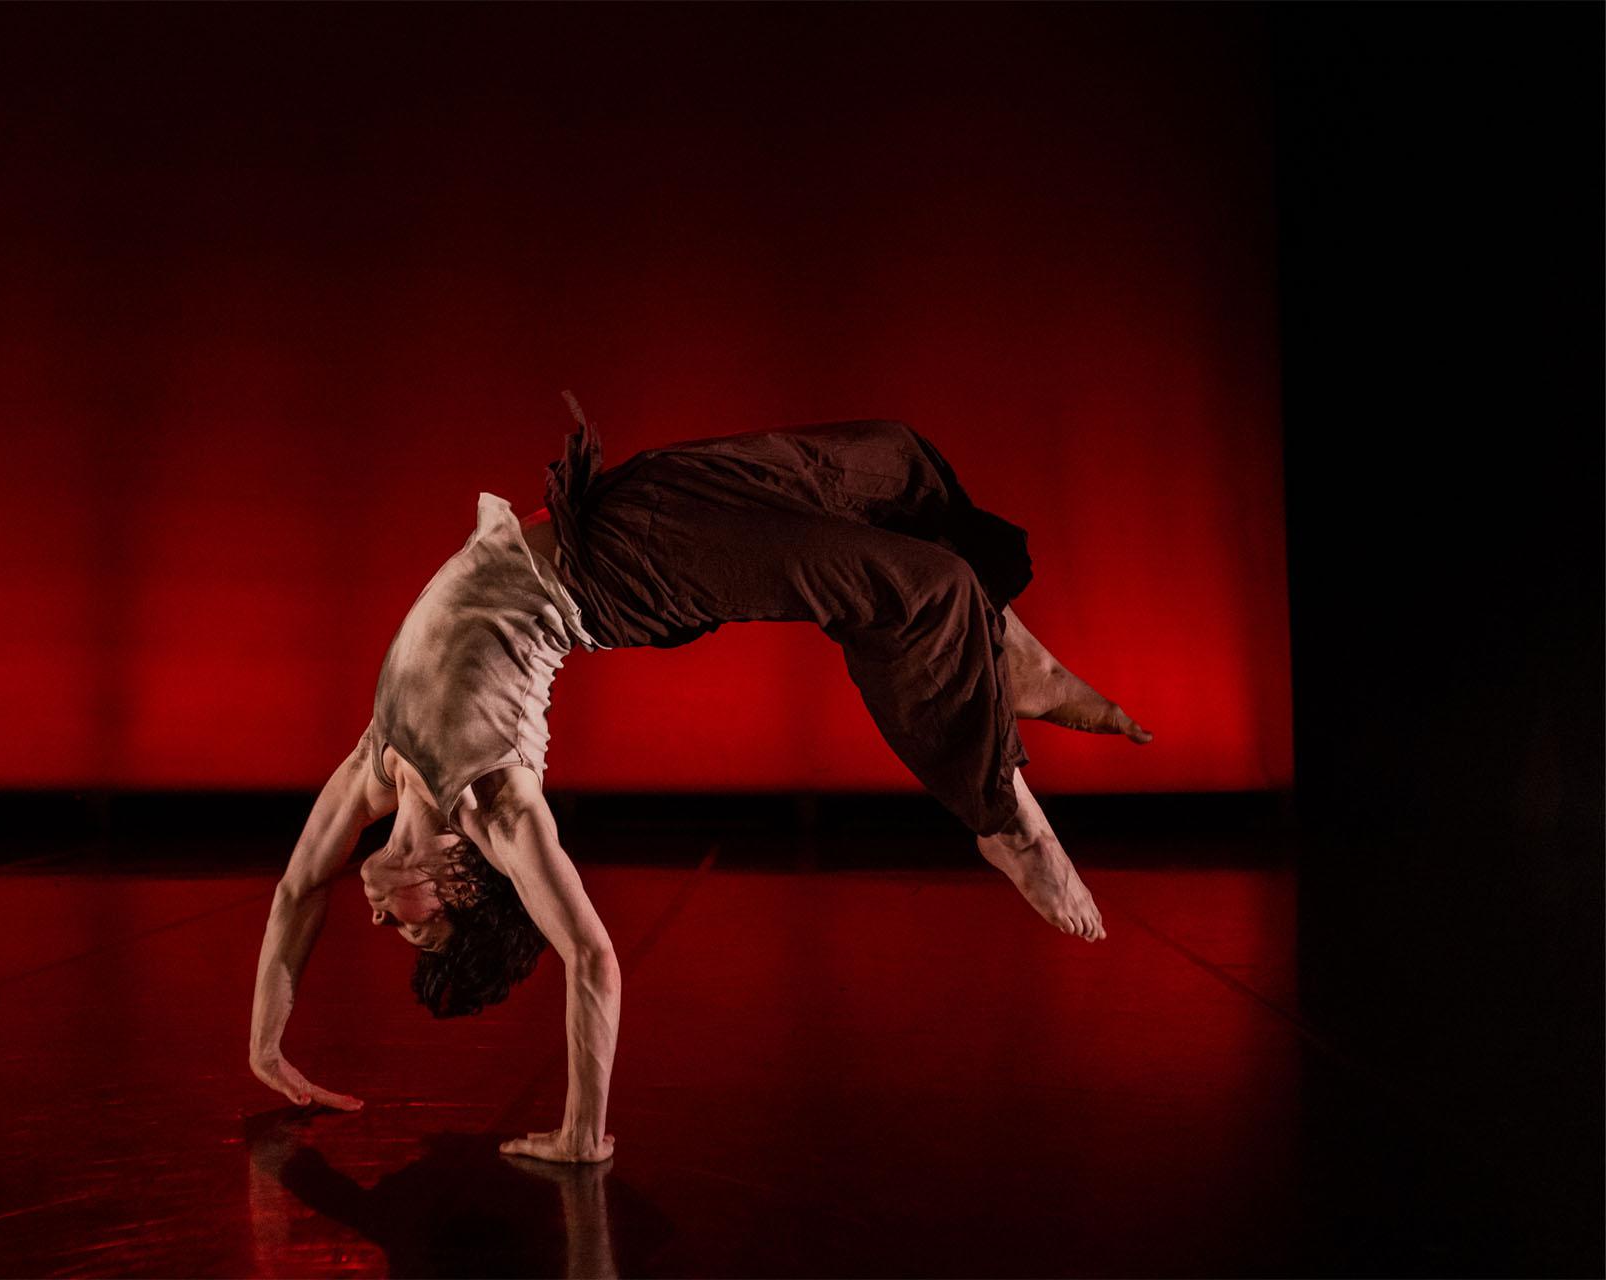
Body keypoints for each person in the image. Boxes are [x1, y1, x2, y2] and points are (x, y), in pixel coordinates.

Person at [249, 394, 1153, 1163]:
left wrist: (265, 1046)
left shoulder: (377, 768)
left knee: (890, 463)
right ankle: (1005, 819)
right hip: (638, 575)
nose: (378, 920)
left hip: (613, 510)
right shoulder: (496, 805)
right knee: (919, 588)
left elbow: (297, 890)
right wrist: (581, 1132)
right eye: (412, 935)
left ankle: (1015, 661)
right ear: (458, 889)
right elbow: (592, 962)